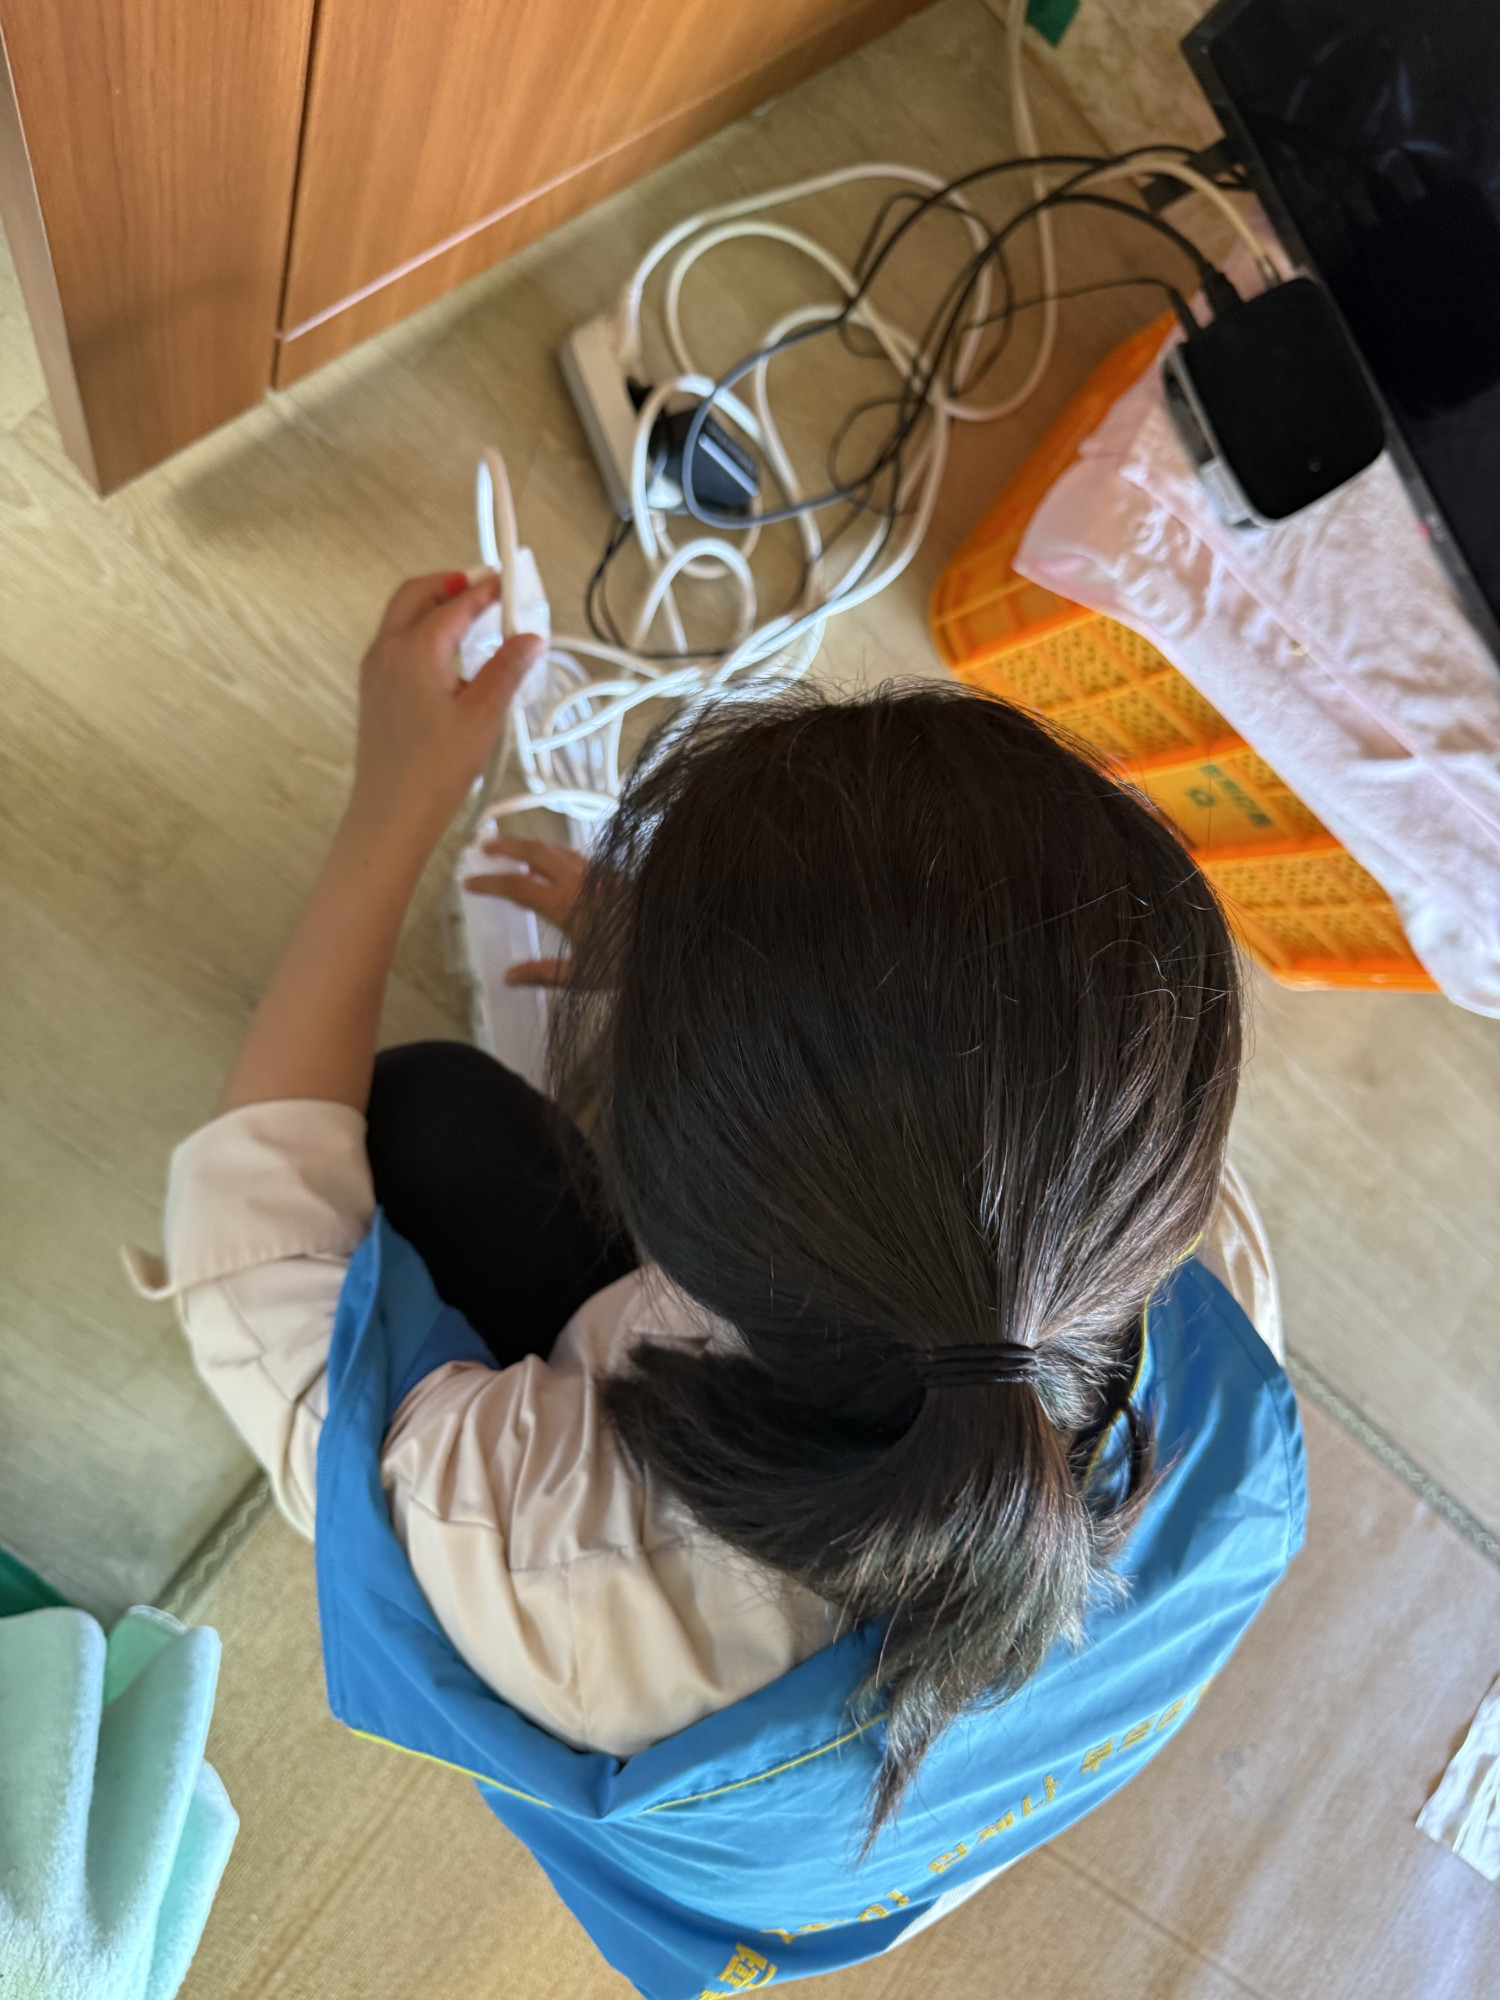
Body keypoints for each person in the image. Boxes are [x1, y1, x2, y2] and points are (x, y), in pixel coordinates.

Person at [128, 572, 1305, 2000]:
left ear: (661, 1199)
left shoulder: (562, 1576)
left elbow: (251, 1238)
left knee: (430, 1121)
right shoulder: (1198, 1257)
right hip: (899, 1836)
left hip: (710, 1765)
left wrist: (397, 797)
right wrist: (742, 990)